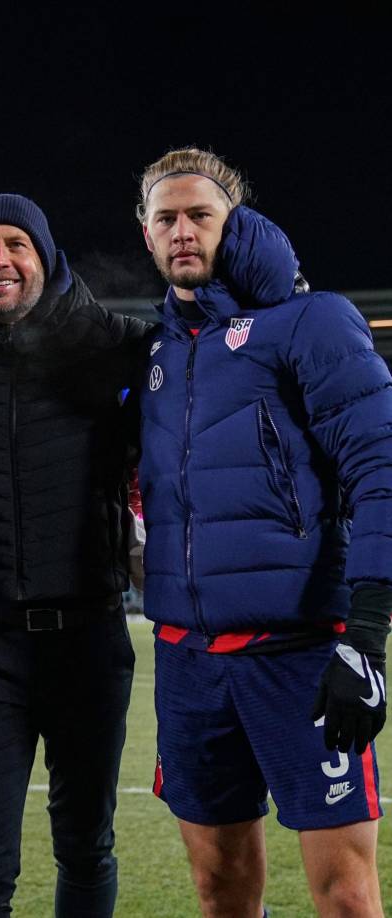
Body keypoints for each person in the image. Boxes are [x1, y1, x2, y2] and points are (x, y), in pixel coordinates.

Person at [135, 148, 391, 917]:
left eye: (200, 215)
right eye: (165, 218)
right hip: (186, 662)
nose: (182, 231)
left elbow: (381, 464)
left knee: (345, 896)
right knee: (219, 889)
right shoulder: (152, 353)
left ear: (235, 222)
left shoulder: (310, 322)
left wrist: (368, 636)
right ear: (146, 232)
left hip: (298, 655)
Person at [0, 193, 149, 916]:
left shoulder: (113, 341)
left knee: (86, 845)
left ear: (46, 255)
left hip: (90, 639)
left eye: (15, 244)